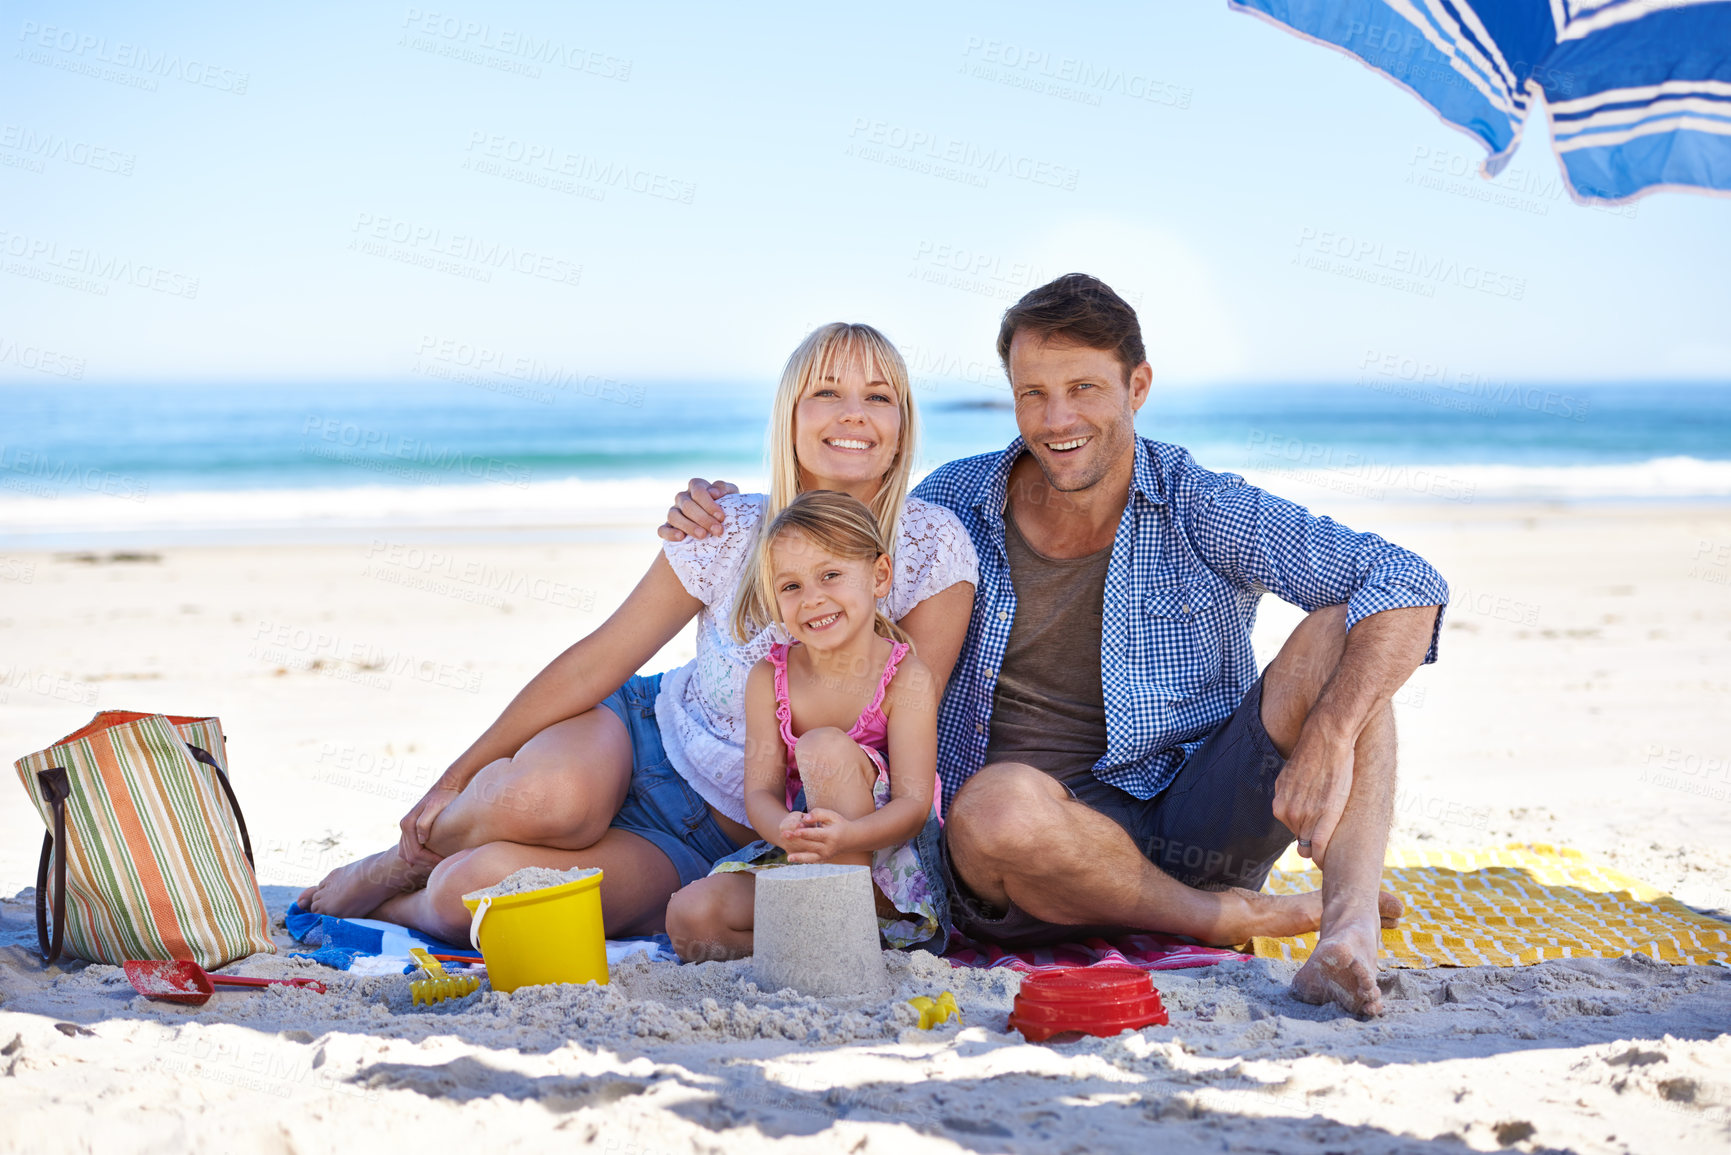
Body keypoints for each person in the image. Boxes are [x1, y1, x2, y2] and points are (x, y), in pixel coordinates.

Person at [660, 274, 1444, 1015]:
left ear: (1136, 387)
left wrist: (1330, 734)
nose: (1056, 419)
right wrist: (735, 513)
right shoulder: (955, 505)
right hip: (1023, 850)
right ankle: (1209, 918)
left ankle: (1346, 929)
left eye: (1083, 390)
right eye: (1033, 394)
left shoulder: (1198, 502)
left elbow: (1404, 580)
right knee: (996, 807)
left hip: (1197, 820)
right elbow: (847, 564)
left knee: (1348, 629)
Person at [295, 323, 979, 945]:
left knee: (471, 893)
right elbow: (601, 657)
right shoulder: (727, 525)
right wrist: (454, 777)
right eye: (826, 390)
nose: (853, 411)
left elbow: (888, 727)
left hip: (726, 831)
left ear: (901, 425)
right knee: (544, 798)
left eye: (878, 396)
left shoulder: (927, 549)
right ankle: (398, 860)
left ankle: (402, 904)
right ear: (790, 419)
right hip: (640, 735)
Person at [665, 491, 949, 961]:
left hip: (891, 881)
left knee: (823, 748)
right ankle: (816, 948)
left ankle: (844, 937)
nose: (813, 599)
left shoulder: (906, 676)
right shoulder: (768, 677)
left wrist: (848, 837)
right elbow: (761, 793)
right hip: (812, 856)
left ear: (879, 576)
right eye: (791, 586)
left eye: (831, 576)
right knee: (691, 918)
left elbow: (915, 807)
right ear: (774, 600)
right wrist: (787, 830)